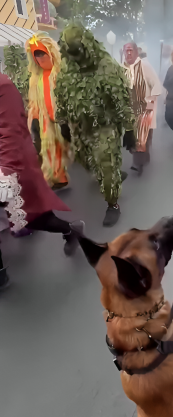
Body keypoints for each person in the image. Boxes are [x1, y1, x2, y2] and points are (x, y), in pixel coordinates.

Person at [0, 72, 84, 291]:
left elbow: (10, 131)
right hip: (8, 163)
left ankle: (70, 230)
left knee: (30, 216)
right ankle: (71, 230)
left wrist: (5, 173)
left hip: (12, 162)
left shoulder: (3, 85)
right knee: (26, 217)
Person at [57, 23, 133, 227]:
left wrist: (129, 129)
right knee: (86, 161)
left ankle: (112, 203)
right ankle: (114, 174)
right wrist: (63, 122)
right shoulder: (67, 68)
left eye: (77, 51)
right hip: (81, 127)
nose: (75, 57)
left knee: (106, 164)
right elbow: (61, 96)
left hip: (105, 126)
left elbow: (122, 100)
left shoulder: (106, 66)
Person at [25, 33, 70, 189]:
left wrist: (66, 119)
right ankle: (58, 177)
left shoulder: (61, 74)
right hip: (46, 120)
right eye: (36, 55)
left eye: (42, 53)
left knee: (75, 148)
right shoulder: (35, 78)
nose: (40, 58)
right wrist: (34, 119)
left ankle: (101, 170)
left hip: (64, 118)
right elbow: (34, 101)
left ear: (51, 53)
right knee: (50, 149)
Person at [122, 41, 163, 176]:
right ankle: (143, 158)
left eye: (131, 51)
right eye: (126, 51)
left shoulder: (145, 66)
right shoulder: (124, 68)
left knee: (141, 137)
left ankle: (137, 163)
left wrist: (151, 101)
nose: (128, 54)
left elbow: (156, 85)